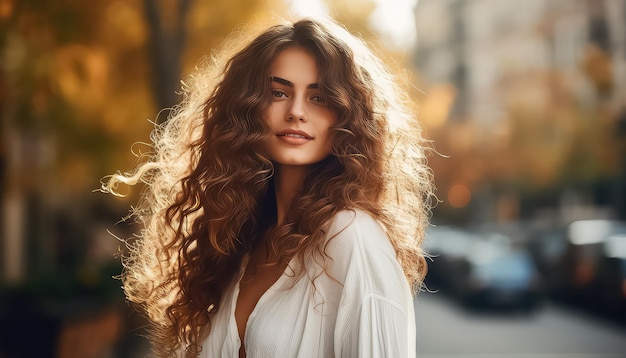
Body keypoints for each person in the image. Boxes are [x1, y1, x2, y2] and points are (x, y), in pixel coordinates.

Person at [102, 17, 433, 358]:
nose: (296, 112)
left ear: (347, 118)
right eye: (278, 93)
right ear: (247, 108)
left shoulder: (352, 237)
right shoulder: (242, 241)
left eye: (319, 98)